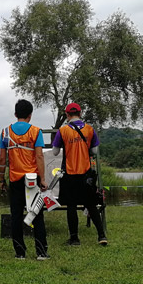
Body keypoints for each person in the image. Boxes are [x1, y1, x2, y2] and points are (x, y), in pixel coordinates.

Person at [0, 99, 49, 260]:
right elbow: (39, 156)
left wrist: (1, 178)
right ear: (30, 115)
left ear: (15, 114)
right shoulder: (36, 131)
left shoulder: (5, 132)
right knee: (37, 214)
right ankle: (41, 252)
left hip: (15, 179)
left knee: (16, 215)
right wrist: (43, 179)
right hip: (32, 179)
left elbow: (2, 159)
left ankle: (20, 253)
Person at [52, 102, 108, 246]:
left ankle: (74, 238)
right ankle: (101, 236)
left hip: (69, 174)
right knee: (91, 205)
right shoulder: (89, 129)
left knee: (71, 206)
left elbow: (55, 152)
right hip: (86, 174)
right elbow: (94, 151)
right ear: (80, 113)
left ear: (67, 115)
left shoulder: (63, 130)